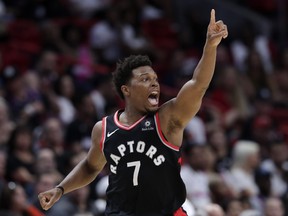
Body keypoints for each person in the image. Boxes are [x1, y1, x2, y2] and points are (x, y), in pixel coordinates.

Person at [38, 9, 228, 216]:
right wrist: (60, 189)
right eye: (145, 79)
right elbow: (90, 168)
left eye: (155, 79)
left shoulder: (167, 119)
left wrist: (210, 47)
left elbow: (198, 85)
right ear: (126, 90)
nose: (154, 83)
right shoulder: (103, 128)